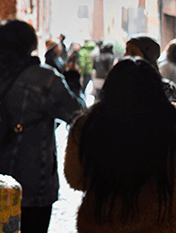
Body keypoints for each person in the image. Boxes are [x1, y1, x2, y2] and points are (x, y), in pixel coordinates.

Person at [0, 19, 85, 233]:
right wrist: (73, 80)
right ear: (31, 45)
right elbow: (77, 116)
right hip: (33, 183)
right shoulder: (45, 79)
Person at [64, 57, 176, 232]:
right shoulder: (171, 122)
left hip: (101, 221)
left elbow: (75, 178)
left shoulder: (89, 124)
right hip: (162, 222)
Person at [125, 35, 176, 102]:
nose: (126, 56)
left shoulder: (165, 89)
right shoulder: (124, 83)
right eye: (126, 51)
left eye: (133, 53)